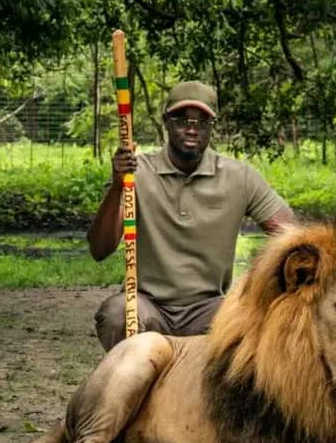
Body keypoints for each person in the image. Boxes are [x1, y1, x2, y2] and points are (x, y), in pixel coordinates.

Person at [88, 80, 294, 350]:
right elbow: (100, 248)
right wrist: (117, 185)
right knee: (117, 315)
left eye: (202, 122)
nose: (191, 128)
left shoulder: (239, 177)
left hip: (209, 308)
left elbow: (292, 236)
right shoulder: (136, 173)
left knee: (252, 324)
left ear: (212, 127)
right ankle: (134, 388)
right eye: (181, 118)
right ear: (166, 122)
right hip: (149, 305)